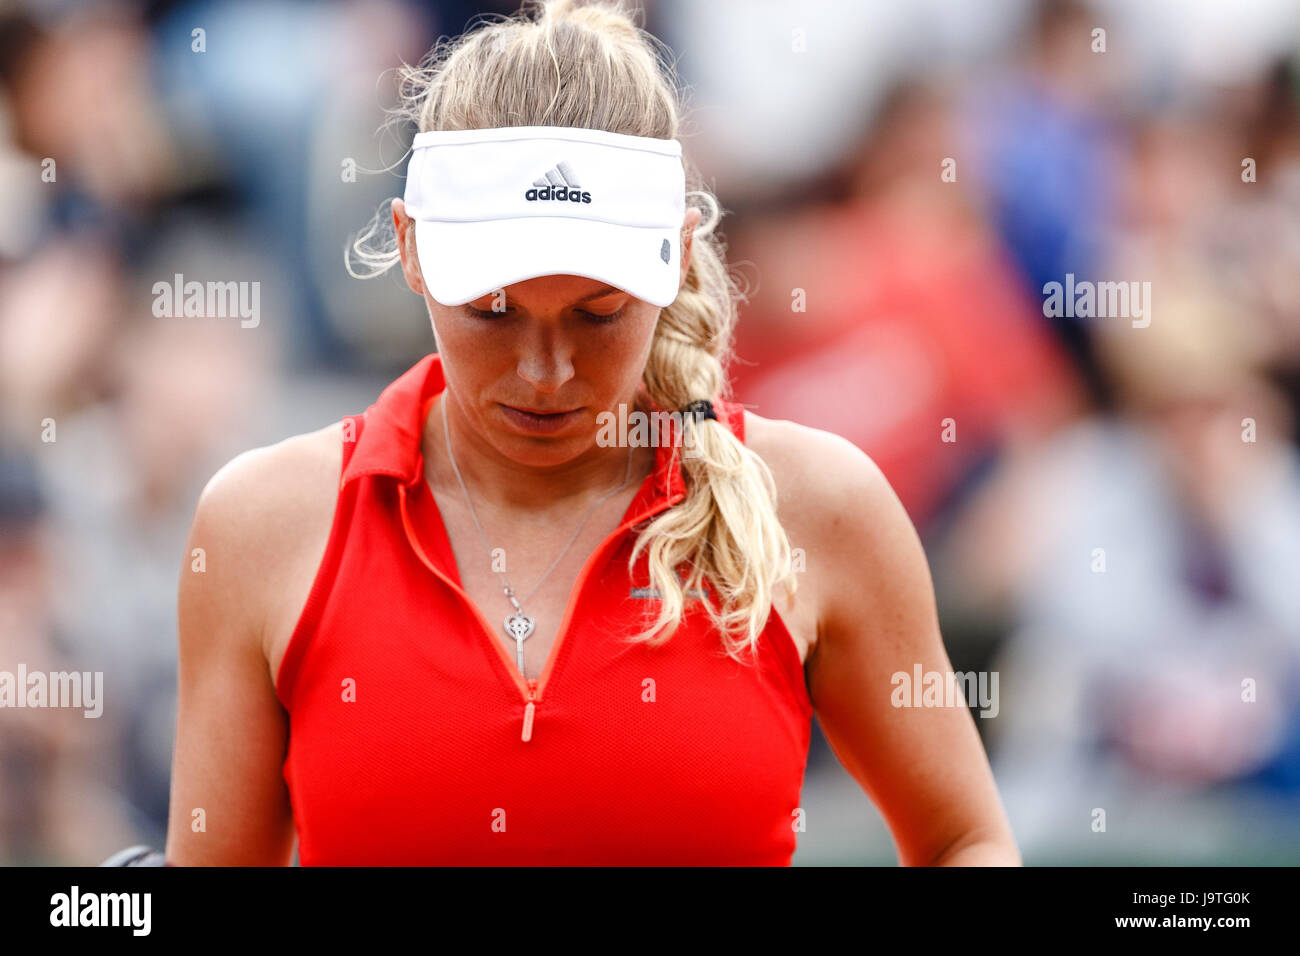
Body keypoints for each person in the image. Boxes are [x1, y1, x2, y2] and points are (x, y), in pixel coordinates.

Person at [163, 0, 1019, 866]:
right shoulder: (262, 526)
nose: (546, 370)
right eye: (492, 312)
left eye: (597, 314)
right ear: (409, 248)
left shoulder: (821, 506)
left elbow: (964, 841)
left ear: (680, 258)